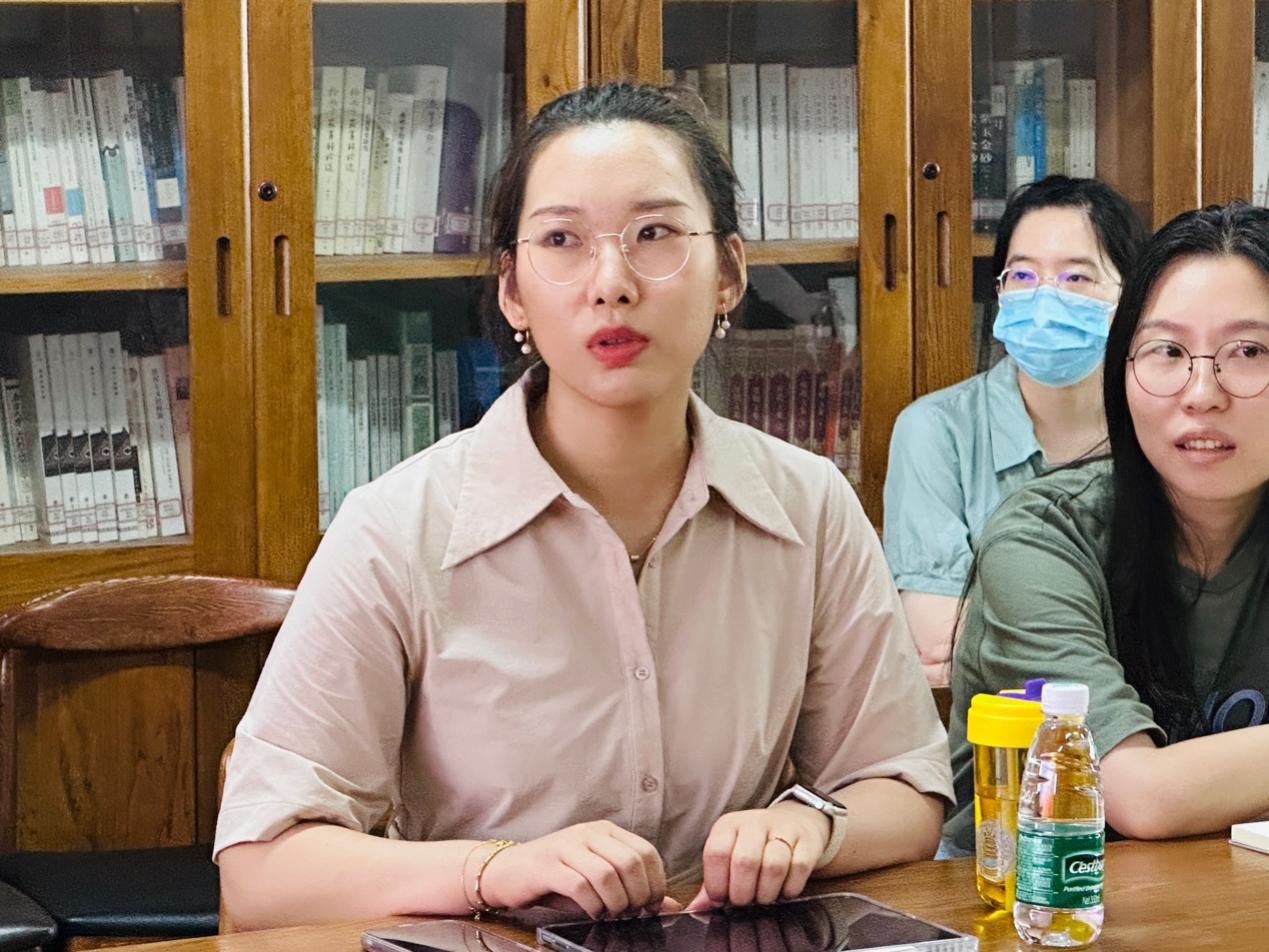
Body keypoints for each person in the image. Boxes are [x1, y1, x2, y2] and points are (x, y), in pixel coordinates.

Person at [215, 82, 952, 930]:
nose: (611, 283)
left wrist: (809, 827)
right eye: (561, 240)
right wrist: (497, 869)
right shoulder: (397, 527)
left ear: (728, 274)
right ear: (513, 292)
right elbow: (263, 871)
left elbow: (904, 788)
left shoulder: (809, 506)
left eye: (655, 234)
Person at [944, 201, 1269, 854]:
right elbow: (1138, 794)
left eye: (1249, 351)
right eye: (1166, 350)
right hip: (1037, 894)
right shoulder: (1040, 537)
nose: (1201, 392)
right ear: (1120, 370)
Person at [883, 177, 1147, 686]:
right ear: (1000, 291)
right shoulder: (936, 431)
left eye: (1076, 277)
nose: (1044, 297)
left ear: (1132, 296)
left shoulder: (1160, 426)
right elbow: (938, 636)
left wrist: (1000, 642)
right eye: (1022, 275)